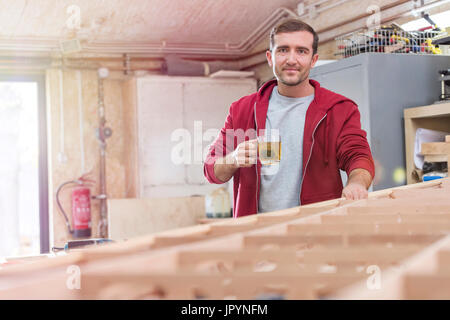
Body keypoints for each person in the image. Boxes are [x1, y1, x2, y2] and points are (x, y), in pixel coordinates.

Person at [203, 19, 375, 218]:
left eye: (301, 51)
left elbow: (358, 157)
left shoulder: (340, 109)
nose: (291, 60)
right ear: (270, 57)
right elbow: (211, 168)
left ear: (313, 59)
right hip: (258, 236)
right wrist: (233, 159)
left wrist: (356, 183)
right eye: (283, 50)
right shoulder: (242, 109)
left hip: (317, 232)